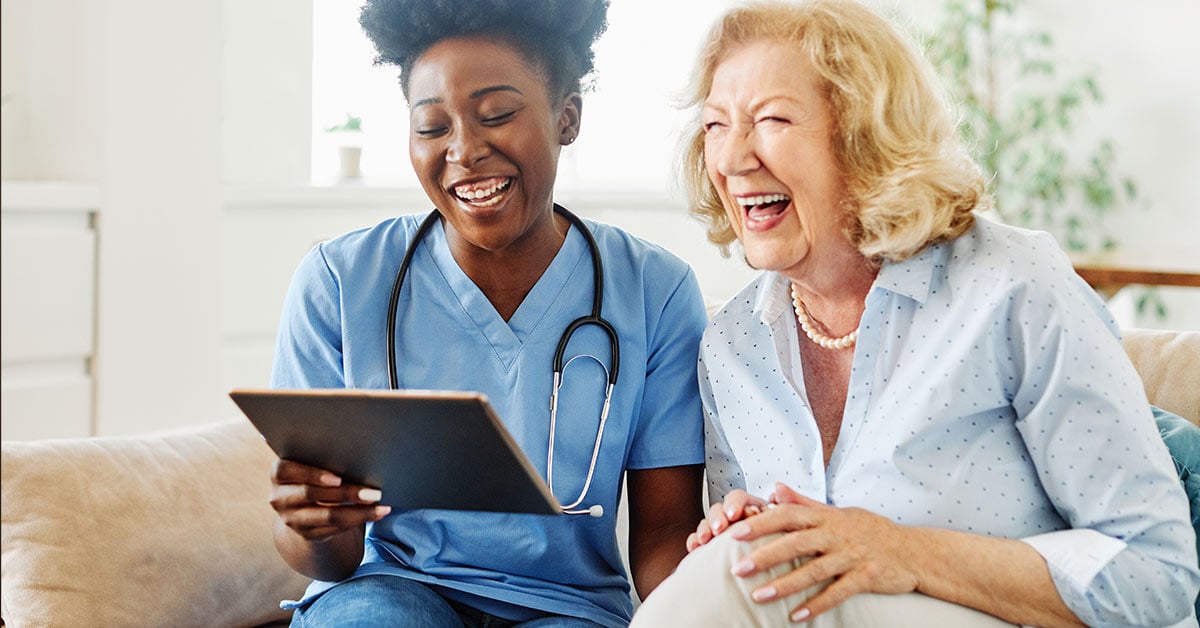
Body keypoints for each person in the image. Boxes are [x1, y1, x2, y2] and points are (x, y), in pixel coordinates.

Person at [631, 1, 1200, 626]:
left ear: (863, 138)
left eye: (771, 120)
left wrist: (901, 551)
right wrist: (755, 531)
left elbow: (1157, 572)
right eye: (715, 126)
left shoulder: (1012, 288)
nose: (733, 158)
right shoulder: (733, 345)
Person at [267, 1, 706, 626]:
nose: (465, 149)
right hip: (390, 591)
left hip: (569, 609)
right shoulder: (339, 282)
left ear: (568, 116)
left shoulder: (654, 290)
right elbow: (324, 558)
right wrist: (309, 524)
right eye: (431, 127)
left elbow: (666, 537)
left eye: (496, 115)